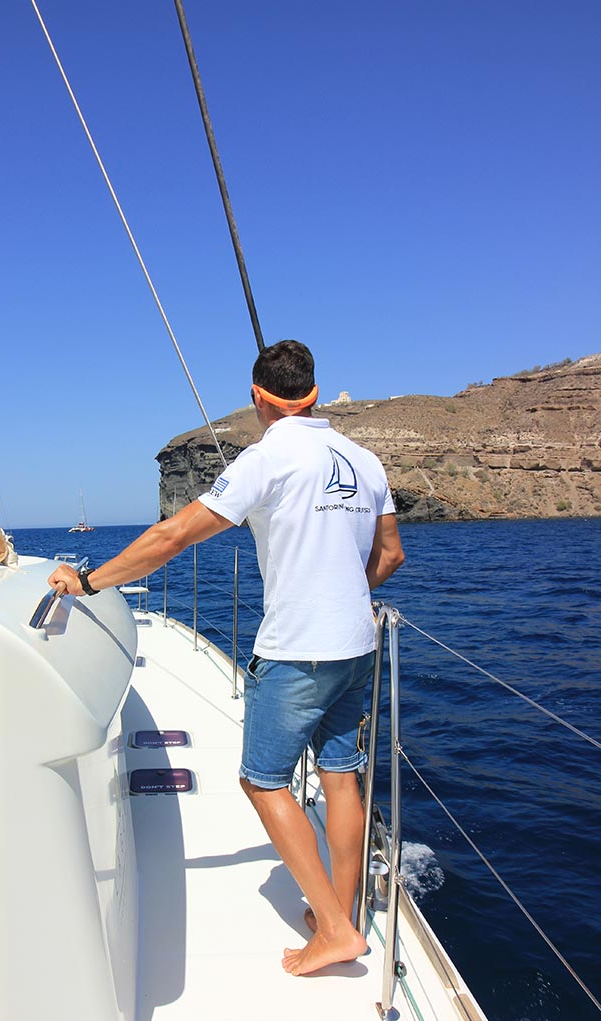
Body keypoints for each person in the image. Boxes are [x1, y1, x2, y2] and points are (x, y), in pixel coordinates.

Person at [48, 340, 405, 976]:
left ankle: (334, 932)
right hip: (357, 644)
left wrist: (90, 581)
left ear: (258, 398)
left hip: (297, 651)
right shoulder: (366, 460)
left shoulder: (263, 461)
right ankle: (341, 915)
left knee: (262, 779)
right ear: (316, 394)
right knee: (340, 776)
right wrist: (345, 593)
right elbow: (390, 557)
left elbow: (173, 535)